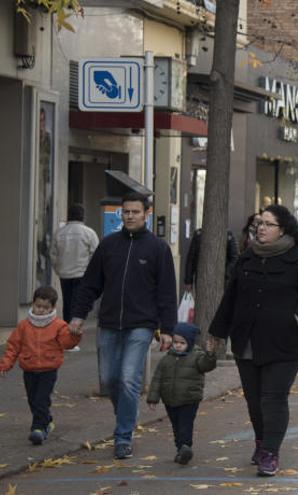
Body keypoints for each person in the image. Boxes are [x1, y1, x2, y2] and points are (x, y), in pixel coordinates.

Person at [207, 204, 298, 477]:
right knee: (254, 400)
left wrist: (296, 319)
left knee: (274, 398)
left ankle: (271, 452)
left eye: (267, 224)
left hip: (284, 343)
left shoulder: (297, 259)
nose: (260, 227)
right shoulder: (247, 258)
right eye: (258, 223)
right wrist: (217, 332)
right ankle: (261, 441)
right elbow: (230, 298)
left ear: (282, 229)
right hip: (247, 341)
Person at [69, 192, 177, 460]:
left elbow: (166, 292)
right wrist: (78, 315)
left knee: (129, 379)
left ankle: (123, 436)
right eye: (125, 212)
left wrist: (168, 329)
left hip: (141, 325)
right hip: (108, 324)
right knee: (110, 380)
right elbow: (90, 284)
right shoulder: (108, 246)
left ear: (146, 214)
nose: (129, 216)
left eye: (135, 212)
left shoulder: (158, 248)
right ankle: (126, 417)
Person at [0, 287, 81, 445]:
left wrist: (75, 334)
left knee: (41, 400)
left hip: (49, 369)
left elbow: (67, 343)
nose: (41, 310)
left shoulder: (58, 325)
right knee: (32, 399)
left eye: (45, 308)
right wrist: (5, 365)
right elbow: (13, 346)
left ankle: (38, 429)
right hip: (29, 368)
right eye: (38, 306)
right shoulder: (24, 326)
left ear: (52, 308)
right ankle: (47, 421)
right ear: (33, 304)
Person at [146, 322, 216, 465]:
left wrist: (210, 354)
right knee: (176, 425)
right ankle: (180, 449)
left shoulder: (197, 357)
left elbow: (207, 365)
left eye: (182, 343)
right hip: (170, 400)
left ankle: (186, 447)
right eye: (176, 342)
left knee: (185, 424)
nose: (178, 345)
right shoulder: (167, 359)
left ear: (189, 342)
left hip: (189, 399)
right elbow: (157, 379)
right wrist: (153, 398)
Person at [50, 204, 99, 324]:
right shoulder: (89, 232)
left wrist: (58, 269)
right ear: (82, 216)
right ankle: (75, 329)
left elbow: (53, 254)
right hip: (82, 274)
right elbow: (96, 255)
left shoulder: (59, 233)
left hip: (64, 274)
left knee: (67, 301)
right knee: (79, 303)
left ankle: (67, 327)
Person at [183, 228, 239, 293]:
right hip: (201, 279)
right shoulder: (199, 235)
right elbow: (190, 259)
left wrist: (225, 273)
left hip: (221, 281)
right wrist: (188, 280)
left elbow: (234, 259)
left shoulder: (227, 236)